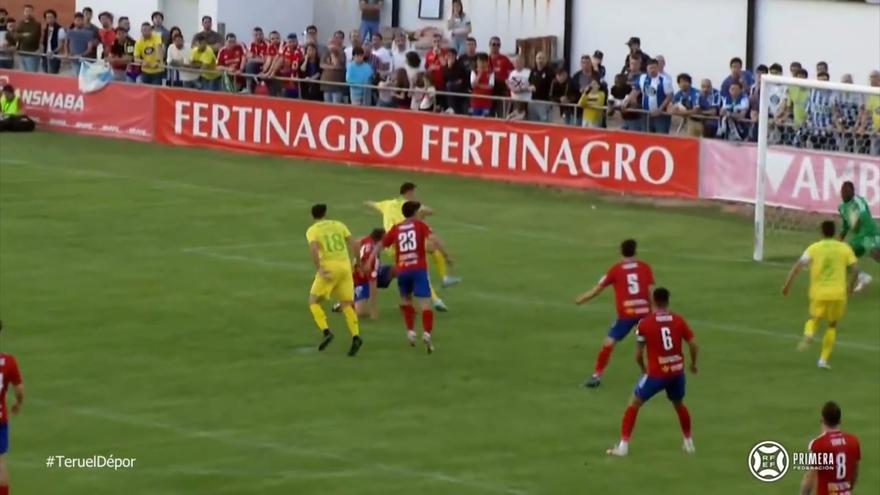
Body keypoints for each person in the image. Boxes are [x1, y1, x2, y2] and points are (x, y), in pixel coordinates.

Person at [605, 288, 698, 457]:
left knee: (634, 403)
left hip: (656, 373)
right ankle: (688, 442)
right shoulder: (678, 320)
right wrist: (693, 364)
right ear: (668, 301)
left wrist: (643, 369)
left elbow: (638, 354)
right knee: (679, 404)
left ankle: (623, 447)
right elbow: (693, 344)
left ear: (653, 301)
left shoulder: (645, 323)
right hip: (677, 372)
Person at [368, 201, 452, 352]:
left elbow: (380, 245)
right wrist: (446, 256)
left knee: (406, 300)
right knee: (425, 304)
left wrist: (369, 260)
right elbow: (434, 240)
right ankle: (426, 333)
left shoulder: (397, 228)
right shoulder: (420, 226)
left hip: (403, 271)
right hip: (418, 270)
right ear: (414, 212)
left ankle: (410, 332)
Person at [365, 182, 459, 310]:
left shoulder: (387, 204)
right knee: (420, 268)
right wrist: (424, 211)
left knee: (407, 270)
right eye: (413, 193)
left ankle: (422, 296)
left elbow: (372, 204)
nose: (414, 195)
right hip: (407, 241)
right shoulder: (411, 206)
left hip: (392, 244)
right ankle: (436, 294)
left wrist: (366, 203)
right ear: (408, 193)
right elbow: (430, 211)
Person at [575, 239, 655, 388]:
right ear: (635, 251)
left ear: (620, 251)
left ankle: (596, 376)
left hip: (626, 315)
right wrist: (655, 312)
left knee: (609, 343)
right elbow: (651, 292)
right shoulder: (644, 267)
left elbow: (597, 289)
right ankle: (654, 374)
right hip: (644, 313)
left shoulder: (616, 269)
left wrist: (581, 299)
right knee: (648, 344)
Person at [782, 221, 858, 369]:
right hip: (838, 293)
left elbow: (798, 267)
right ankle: (823, 360)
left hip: (819, 293)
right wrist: (850, 287)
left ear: (822, 232)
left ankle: (809, 334)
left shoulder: (814, 248)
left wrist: (787, 286)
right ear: (834, 232)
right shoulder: (844, 248)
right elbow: (855, 270)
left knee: (813, 318)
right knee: (832, 324)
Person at [305, 204, 363, 356]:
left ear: (312, 217)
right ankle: (356, 336)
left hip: (329, 269)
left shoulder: (313, 230)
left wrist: (319, 268)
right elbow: (355, 244)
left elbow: (313, 249)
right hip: (345, 268)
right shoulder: (339, 225)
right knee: (346, 304)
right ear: (325, 213)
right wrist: (358, 261)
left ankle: (326, 331)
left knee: (313, 301)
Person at [799, 401, 861, 495]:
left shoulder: (818, 444)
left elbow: (810, 477)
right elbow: (855, 472)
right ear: (839, 420)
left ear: (822, 420)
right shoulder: (853, 441)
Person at [838, 181, 880, 291]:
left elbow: (863, 215)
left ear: (852, 192)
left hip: (870, 234)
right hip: (859, 238)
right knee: (841, 257)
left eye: (846, 191)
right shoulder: (842, 208)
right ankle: (862, 276)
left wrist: (855, 221)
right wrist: (836, 243)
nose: (843, 193)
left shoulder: (859, 201)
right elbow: (845, 227)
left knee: (876, 255)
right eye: (842, 191)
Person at [0, 320, 26, 495]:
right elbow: (19, 390)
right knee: (0, 462)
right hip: (0, 418)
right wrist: (18, 404)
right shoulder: (8, 362)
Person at [352, 228, 386, 319]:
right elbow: (373, 287)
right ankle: (348, 303)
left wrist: (357, 262)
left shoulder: (367, 239)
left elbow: (356, 242)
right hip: (362, 279)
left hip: (358, 273)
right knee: (360, 312)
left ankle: (352, 300)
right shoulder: (372, 262)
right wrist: (373, 311)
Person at [638, 58, 674, 134]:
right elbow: (638, 90)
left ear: (658, 68)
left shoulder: (664, 80)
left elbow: (670, 95)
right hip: (646, 114)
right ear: (647, 68)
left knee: (661, 138)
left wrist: (660, 109)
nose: (652, 70)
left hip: (661, 116)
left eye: (654, 68)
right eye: (650, 68)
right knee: (646, 137)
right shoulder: (642, 78)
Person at [857, 70, 880, 156]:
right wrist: (862, 127)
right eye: (870, 79)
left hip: (877, 130)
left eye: (874, 78)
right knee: (874, 156)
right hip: (875, 133)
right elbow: (866, 113)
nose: (871, 81)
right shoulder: (873, 96)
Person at [528, 52, 553, 122]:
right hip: (533, 100)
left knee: (544, 122)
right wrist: (530, 86)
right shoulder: (533, 71)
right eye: (539, 58)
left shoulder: (550, 72)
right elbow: (529, 81)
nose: (540, 60)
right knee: (533, 122)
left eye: (542, 58)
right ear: (536, 60)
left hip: (544, 102)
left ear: (546, 60)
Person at [14, 5, 40, 72]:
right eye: (26, 11)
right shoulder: (20, 23)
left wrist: (21, 36)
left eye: (30, 11)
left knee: (31, 73)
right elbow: (15, 35)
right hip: (21, 52)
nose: (28, 13)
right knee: (23, 74)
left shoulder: (36, 24)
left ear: (32, 12)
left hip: (31, 53)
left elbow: (32, 37)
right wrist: (24, 34)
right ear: (23, 12)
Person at [442, 48, 467, 114]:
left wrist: (451, 67)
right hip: (449, 92)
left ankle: (451, 107)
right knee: (448, 85)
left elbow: (459, 78)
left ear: (455, 56)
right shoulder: (445, 67)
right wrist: (449, 67)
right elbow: (445, 77)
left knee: (450, 84)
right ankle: (450, 107)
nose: (450, 58)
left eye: (452, 56)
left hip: (461, 90)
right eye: (449, 55)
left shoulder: (460, 65)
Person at [506, 54, 532, 120]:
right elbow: (509, 83)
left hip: (524, 101)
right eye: (515, 61)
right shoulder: (512, 73)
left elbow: (531, 86)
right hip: (514, 100)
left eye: (519, 61)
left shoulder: (529, 72)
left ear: (523, 62)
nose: (517, 63)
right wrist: (511, 87)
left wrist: (520, 89)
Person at [40, 9, 65, 74]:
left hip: (54, 57)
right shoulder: (45, 29)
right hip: (45, 56)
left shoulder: (60, 29)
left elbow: (60, 45)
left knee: (53, 75)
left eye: (51, 17)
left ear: (55, 18)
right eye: (47, 17)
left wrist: (52, 52)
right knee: (45, 74)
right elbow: (43, 42)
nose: (49, 19)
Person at [470, 52, 494, 117]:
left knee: (485, 120)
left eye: (484, 61)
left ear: (487, 62)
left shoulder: (491, 73)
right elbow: (473, 85)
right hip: (476, 101)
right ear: (477, 62)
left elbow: (490, 86)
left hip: (486, 101)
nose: (482, 63)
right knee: (475, 120)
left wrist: (479, 85)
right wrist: (479, 74)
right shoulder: (474, 72)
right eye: (480, 61)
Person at [244, 27, 267, 93]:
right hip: (253, 67)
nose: (258, 37)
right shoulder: (251, 44)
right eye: (256, 35)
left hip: (264, 66)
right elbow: (247, 57)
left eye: (260, 35)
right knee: (248, 65)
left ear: (263, 35)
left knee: (250, 64)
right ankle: (248, 88)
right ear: (253, 36)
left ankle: (250, 88)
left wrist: (253, 57)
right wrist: (256, 58)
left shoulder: (267, 44)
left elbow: (265, 60)